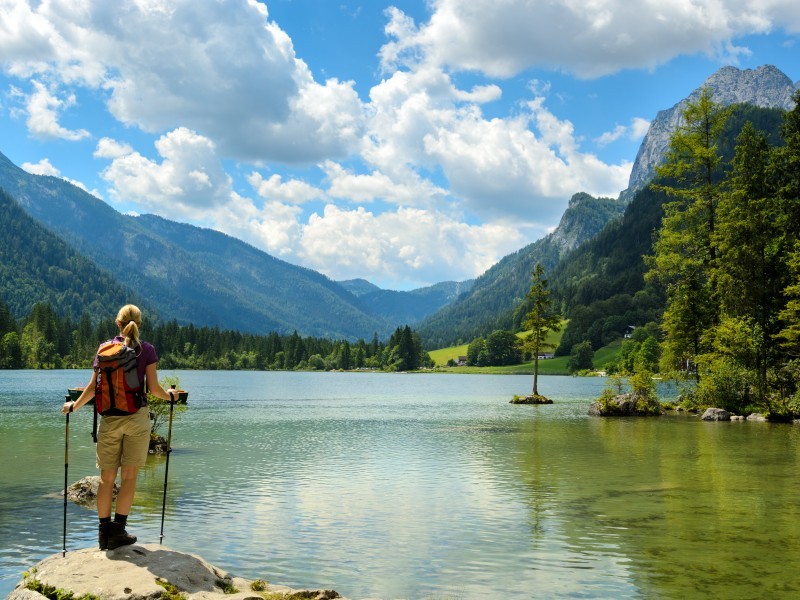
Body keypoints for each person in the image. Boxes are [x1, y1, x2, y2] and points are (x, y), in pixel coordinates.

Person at [61, 304, 181, 550]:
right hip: (137, 418)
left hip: (109, 419)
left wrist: (74, 406)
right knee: (129, 477)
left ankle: (104, 535)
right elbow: (154, 389)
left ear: (117, 323)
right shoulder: (146, 350)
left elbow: (93, 388)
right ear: (139, 323)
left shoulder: (104, 349)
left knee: (106, 479)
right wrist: (171, 396)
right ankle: (119, 531)